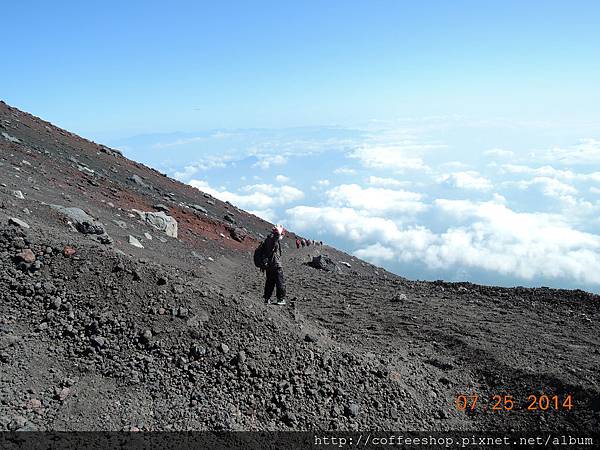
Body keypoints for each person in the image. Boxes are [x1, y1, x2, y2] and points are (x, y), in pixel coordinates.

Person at [262, 224, 286, 305]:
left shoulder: (267, 239)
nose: (282, 237)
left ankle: (267, 298)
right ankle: (280, 299)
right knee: (280, 282)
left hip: (269, 265)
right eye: (282, 235)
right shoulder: (274, 239)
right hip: (275, 265)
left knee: (269, 282)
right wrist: (279, 231)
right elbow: (277, 235)